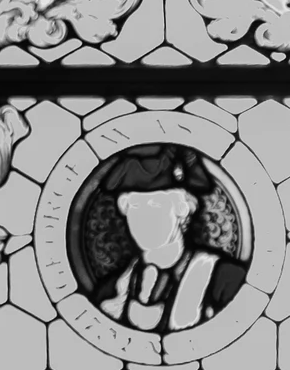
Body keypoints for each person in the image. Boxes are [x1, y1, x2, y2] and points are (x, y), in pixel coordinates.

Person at [84, 144, 246, 337]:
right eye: (135, 206)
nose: (143, 217)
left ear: (181, 210)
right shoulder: (110, 291)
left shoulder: (225, 281)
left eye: (155, 204)